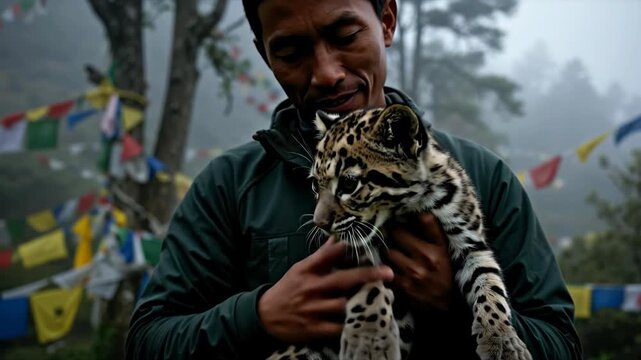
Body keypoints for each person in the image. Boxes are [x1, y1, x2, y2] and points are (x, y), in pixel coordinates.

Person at [125, 0, 582, 358]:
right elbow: (147, 342)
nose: (326, 73)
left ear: (386, 21)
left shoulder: (482, 175)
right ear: (265, 54)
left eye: (344, 36)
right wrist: (258, 315)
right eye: (289, 51)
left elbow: (561, 342)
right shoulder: (228, 185)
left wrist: (456, 305)